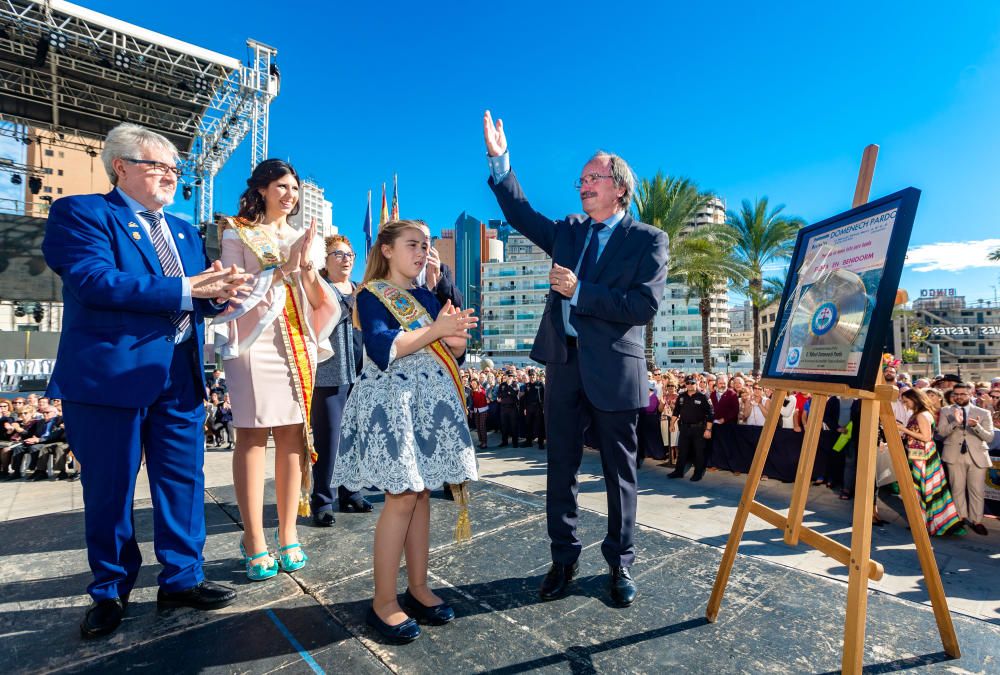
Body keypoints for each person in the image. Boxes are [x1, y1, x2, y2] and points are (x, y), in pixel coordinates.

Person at [41, 122, 248, 638]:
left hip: (179, 375)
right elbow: (93, 281)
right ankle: (110, 590)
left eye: (175, 169)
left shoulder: (182, 230)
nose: (170, 176)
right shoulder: (82, 213)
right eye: (159, 166)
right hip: (110, 378)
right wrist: (186, 290)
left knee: (184, 481)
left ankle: (183, 577)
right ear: (122, 168)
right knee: (110, 490)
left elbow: (192, 297)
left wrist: (218, 296)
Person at [484, 110, 669, 607]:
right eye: (581, 179)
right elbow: (522, 215)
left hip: (615, 371)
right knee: (560, 468)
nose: (583, 186)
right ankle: (563, 559)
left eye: (594, 178)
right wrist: (501, 161)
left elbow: (642, 306)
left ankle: (620, 564)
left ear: (620, 188)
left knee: (619, 474)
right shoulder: (567, 231)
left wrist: (580, 290)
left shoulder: (649, 240)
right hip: (563, 367)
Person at [333, 219, 479, 643]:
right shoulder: (373, 295)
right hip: (394, 404)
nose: (421, 252)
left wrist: (455, 339)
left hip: (429, 403)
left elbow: (452, 353)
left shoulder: (428, 297)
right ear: (388, 250)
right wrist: (436, 329)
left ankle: (418, 586)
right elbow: (383, 348)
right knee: (400, 498)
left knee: (422, 494)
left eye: (425, 245)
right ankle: (383, 601)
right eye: (412, 244)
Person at [215, 159, 341, 580]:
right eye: (282, 186)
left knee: (293, 437)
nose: (290, 194)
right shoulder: (238, 230)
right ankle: (254, 537)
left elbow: (318, 297)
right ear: (263, 189)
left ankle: (288, 533)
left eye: (295, 188)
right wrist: (281, 270)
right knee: (251, 435)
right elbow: (234, 288)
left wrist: (304, 272)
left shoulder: (305, 238)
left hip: (296, 341)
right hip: (254, 342)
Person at [310, 234, 370, 527]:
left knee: (354, 439)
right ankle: (322, 499)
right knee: (329, 440)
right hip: (328, 376)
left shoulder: (361, 290)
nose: (346, 259)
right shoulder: (319, 289)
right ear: (326, 260)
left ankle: (351, 492)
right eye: (338, 254)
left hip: (359, 375)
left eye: (349, 255)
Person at [896, 388, 965, 536]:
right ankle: (923, 522)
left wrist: (904, 429)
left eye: (906, 401)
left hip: (922, 454)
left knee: (921, 489)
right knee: (922, 489)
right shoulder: (922, 413)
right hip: (920, 453)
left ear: (914, 399)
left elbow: (926, 437)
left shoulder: (921, 415)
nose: (904, 404)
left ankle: (924, 523)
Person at [936, 382, 993, 536]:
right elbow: (941, 433)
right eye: (956, 394)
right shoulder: (946, 411)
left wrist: (976, 426)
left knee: (977, 491)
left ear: (971, 394)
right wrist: (955, 422)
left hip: (977, 456)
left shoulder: (982, 412)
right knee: (957, 488)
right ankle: (960, 518)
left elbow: (989, 437)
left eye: (963, 394)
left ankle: (977, 521)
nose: (959, 397)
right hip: (954, 455)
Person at [669, 375, 714, 481]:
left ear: (696, 383)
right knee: (682, 451)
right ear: (685, 384)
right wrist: (672, 424)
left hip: (699, 428)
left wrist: (708, 430)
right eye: (688, 383)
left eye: (692, 383)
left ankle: (698, 473)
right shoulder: (681, 396)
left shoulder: (703, 396)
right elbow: (676, 411)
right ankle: (678, 471)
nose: (690, 385)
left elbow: (710, 414)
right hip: (684, 428)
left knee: (699, 452)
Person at [497, 371, 520, 447]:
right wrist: (508, 393)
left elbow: (515, 393)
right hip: (503, 407)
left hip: (512, 408)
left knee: (514, 425)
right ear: (506, 376)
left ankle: (515, 442)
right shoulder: (502, 385)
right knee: (504, 425)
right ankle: (504, 441)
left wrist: (509, 388)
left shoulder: (515, 384)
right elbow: (500, 394)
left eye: (511, 376)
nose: (510, 377)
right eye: (508, 376)